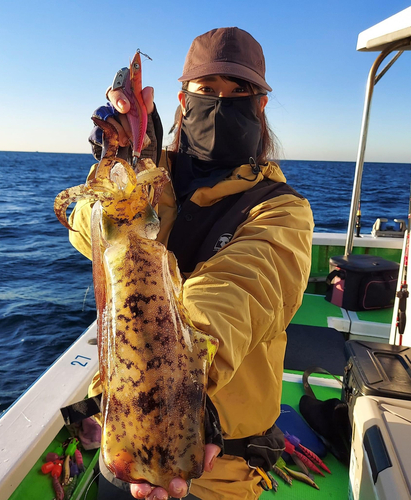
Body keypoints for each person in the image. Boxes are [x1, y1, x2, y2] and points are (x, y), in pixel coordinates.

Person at [68, 27, 314, 500]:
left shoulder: (281, 209)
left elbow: (244, 288)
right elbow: (87, 230)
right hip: (122, 423)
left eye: (238, 92)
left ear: (260, 106)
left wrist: (180, 380)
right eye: (207, 90)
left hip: (216, 463)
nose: (221, 102)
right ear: (183, 100)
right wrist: (114, 167)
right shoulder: (146, 179)